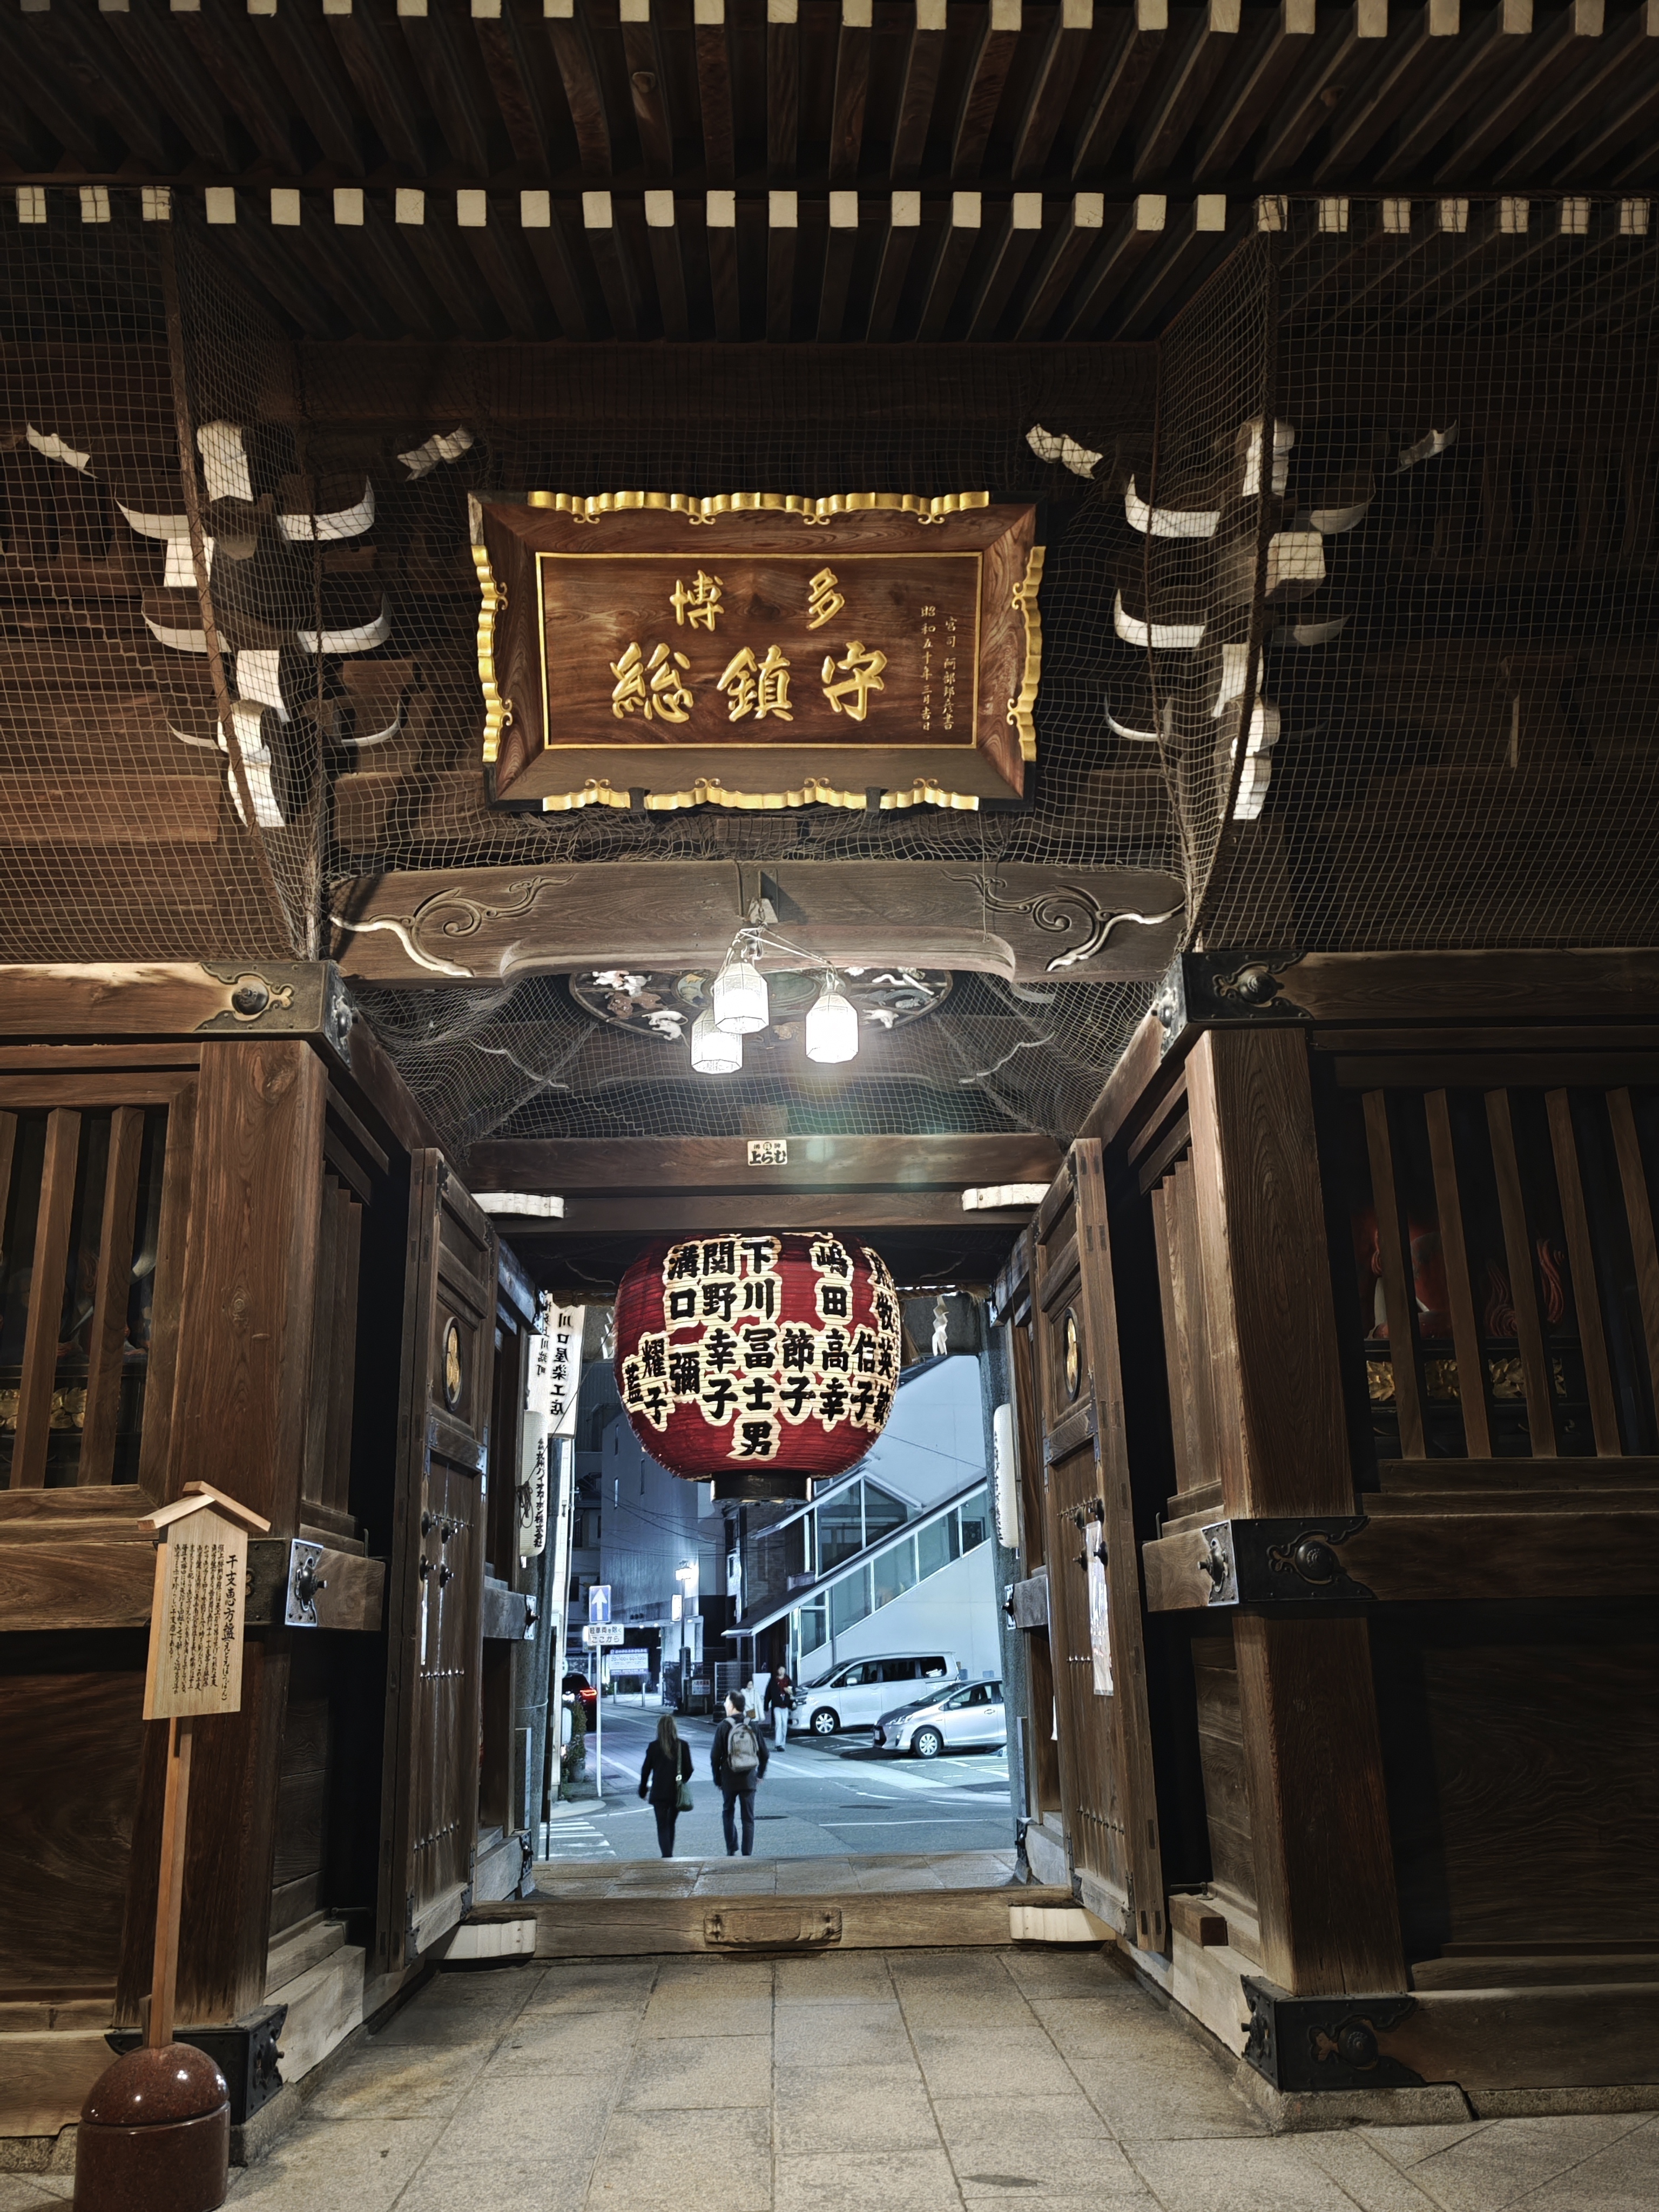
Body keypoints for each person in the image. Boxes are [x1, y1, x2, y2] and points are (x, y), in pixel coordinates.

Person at [710, 1690, 769, 1857]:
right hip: (749, 1778)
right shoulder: (752, 1725)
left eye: (726, 1702)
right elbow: (765, 1753)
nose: (724, 1705)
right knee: (748, 1818)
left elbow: (715, 1757)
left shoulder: (723, 1726)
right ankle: (747, 1854)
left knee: (728, 1812)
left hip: (729, 1778)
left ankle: (731, 1848)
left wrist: (718, 1780)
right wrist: (760, 1774)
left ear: (732, 1705)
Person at [637, 1714, 693, 1859]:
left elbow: (645, 1771)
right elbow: (689, 1769)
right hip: (676, 1791)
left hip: (659, 1792)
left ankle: (667, 1855)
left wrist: (643, 1791)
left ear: (659, 1729)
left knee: (662, 1825)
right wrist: (681, 1780)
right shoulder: (682, 1745)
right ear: (674, 1728)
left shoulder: (654, 1747)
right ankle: (669, 1855)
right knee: (671, 1823)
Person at [764, 1662, 795, 1750]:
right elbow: (768, 1693)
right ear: (777, 1670)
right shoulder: (773, 1681)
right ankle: (778, 1744)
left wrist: (790, 1693)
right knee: (778, 1724)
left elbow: (793, 1692)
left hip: (786, 1705)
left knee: (784, 1725)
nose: (782, 1671)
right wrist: (766, 1706)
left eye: (783, 1669)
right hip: (777, 1705)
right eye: (780, 1669)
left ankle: (782, 1743)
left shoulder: (788, 1680)